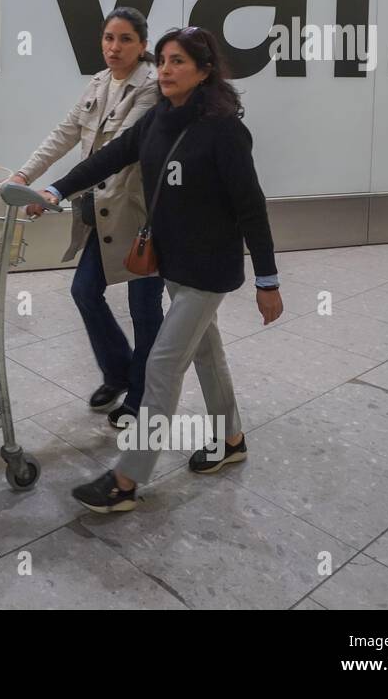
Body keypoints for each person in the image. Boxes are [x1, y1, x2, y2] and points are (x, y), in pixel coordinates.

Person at [30, 26, 283, 513]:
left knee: (163, 365)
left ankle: (127, 479)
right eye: (163, 60)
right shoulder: (158, 119)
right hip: (172, 265)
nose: (165, 70)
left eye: (179, 62)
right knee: (208, 356)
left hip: (208, 270)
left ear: (204, 71)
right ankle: (231, 440)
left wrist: (267, 281)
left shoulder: (225, 130)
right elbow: (108, 157)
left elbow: (251, 207)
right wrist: (56, 191)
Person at [11, 7, 163, 427]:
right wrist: (24, 174)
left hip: (140, 216)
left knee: (144, 306)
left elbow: (115, 155)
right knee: (84, 290)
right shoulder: (98, 82)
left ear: (143, 45)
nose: (114, 48)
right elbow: (64, 134)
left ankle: (141, 394)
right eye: (108, 38)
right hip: (102, 212)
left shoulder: (149, 89)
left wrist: (54, 191)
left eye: (125, 39)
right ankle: (118, 371)